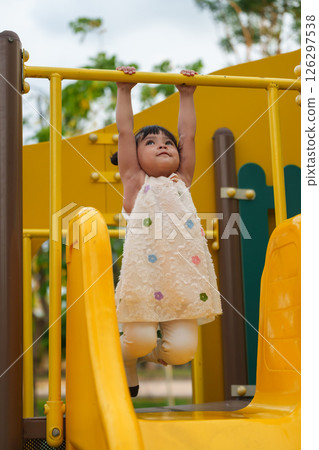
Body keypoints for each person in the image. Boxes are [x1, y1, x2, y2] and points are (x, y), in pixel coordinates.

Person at [113, 66, 222, 397]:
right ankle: (127, 360)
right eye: (150, 142)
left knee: (182, 352)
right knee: (140, 339)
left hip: (181, 281)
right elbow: (124, 130)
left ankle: (144, 359)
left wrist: (186, 94)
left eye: (168, 143)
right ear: (134, 154)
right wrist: (124, 89)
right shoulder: (135, 182)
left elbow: (188, 135)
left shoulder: (182, 181)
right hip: (143, 278)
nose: (163, 146)